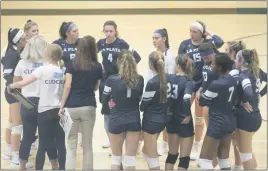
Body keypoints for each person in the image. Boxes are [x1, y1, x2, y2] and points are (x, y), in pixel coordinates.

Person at [7, 44, 66, 170]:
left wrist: (11, 86)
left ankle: (22, 165)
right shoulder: (60, 71)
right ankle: (57, 166)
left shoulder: (37, 67)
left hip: (40, 107)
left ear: (49, 55)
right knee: (54, 140)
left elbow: (23, 82)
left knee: (32, 138)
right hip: (55, 109)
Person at [178, 21, 224, 160]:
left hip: (204, 85)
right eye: (190, 31)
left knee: (199, 118)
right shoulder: (185, 44)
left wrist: (209, 32)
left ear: (201, 32)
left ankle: (197, 144)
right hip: (190, 83)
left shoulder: (209, 43)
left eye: (195, 32)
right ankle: (182, 141)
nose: (191, 34)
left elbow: (220, 42)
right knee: (182, 112)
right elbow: (179, 62)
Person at [59, 36, 102, 170]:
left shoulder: (71, 64)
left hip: (71, 107)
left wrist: (61, 106)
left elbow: (67, 86)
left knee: (71, 146)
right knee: (87, 145)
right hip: (89, 105)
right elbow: (96, 87)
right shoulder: (97, 66)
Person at [97, 20, 141, 149]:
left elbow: (137, 58)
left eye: (111, 31)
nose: (108, 34)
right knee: (106, 108)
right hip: (106, 81)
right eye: (106, 31)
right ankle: (111, 139)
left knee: (118, 107)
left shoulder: (122, 43)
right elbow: (91, 56)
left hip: (119, 81)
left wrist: (126, 70)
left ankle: (124, 139)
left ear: (115, 31)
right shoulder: (100, 43)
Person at [102, 50, 144, 170]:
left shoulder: (111, 79)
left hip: (116, 119)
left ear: (118, 63)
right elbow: (139, 98)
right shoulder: (139, 79)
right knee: (130, 160)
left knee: (116, 159)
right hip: (133, 120)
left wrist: (110, 105)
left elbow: (104, 99)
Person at [198, 52, 237, 170]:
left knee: (204, 161)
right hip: (230, 121)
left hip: (217, 123)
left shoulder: (216, 84)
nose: (211, 67)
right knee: (223, 158)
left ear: (219, 67)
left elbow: (202, 102)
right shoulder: (232, 79)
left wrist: (204, 90)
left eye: (213, 64)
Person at [13, 35, 47, 169]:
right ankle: (41, 166)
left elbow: (14, 86)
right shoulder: (46, 63)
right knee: (44, 137)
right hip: (45, 103)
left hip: (27, 103)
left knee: (27, 136)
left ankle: (22, 165)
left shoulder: (21, 63)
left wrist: (24, 102)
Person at [234, 49, 267, 169]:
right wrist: (260, 94)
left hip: (245, 118)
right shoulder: (256, 71)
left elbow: (247, 92)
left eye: (236, 59)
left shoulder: (244, 75)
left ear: (241, 60)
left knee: (245, 156)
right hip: (255, 116)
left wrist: (243, 101)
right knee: (246, 152)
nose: (234, 61)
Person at [140, 51, 171, 170]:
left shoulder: (152, 82)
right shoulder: (170, 79)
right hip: (164, 119)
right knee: (145, 151)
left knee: (151, 156)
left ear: (150, 64)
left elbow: (144, 105)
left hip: (151, 121)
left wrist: (140, 107)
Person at [148, 28, 176, 155]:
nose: (154, 40)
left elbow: (171, 75)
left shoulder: (170, 56)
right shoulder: (152, 54)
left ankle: (164, 144)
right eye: (153, 38)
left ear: (164, 39)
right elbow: (149, 74)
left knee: (166, 120)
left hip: (166, 92)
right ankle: (151, 143)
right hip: (154, 92)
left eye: (157, 38)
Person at [1, 28, 27, 169]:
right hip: (14, 92)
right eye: (23, 39)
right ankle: (15, 158)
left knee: (12, 121)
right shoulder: (12, 54)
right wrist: (15, 86)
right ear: (17, 40)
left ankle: (9, 150)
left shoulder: (16, 50)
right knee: (18, 124)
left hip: (15, 90)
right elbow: (6, 74)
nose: (25, 40)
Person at [165, 54, 194, 170]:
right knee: (184, 159)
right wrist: (187, 114)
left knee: (171, 155)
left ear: (177, 66)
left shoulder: (169, 78)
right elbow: (187, 99)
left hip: (171, 119)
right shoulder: (188, 82)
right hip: (183, 120)